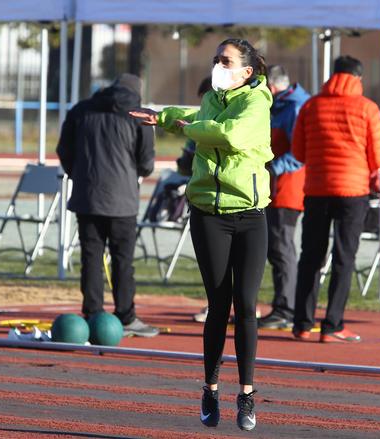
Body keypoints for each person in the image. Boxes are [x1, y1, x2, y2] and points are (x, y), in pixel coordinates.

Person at [129, 38, 272, 431]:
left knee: (245, 305)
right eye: (216, 60)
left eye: (226, 61)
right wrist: (162, 116)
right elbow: (197, 114)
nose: (218, 66)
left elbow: (230, 136)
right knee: (218, 303)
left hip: (251, 215)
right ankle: (210, 389)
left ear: (247, 71)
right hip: (209, 215)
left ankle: (246, 395)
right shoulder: (214, 98)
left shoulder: (257, 103)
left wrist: (188, 127)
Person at [291, 55, 380, 343]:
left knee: (310, 257)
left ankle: (302, 323)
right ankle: (332, 325)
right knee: (344, 258)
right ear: (358, 78)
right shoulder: (367, 108)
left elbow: (298, 152)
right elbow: (379, 156)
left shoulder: (311, 106)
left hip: (317, 190)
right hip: (352, 192)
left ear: (332, 75)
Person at [56, 73, 159, 338]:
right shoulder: (138, 114)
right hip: (123, 199)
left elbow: (64, 150)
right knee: (123, 260)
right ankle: (126, 315)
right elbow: (146, 163)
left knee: (91, 257)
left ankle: (92, 313)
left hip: (86, 196)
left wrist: (79, 174)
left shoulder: (81, 110)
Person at [257, 65, 309, 330]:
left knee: (281, 247)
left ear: (273, 86)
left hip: (287, 190)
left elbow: (300, 152)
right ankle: (283, 305)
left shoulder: (295, 107)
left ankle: (286, 308)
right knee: (276, 248)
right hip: (275, 189)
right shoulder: (281, 105)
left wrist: (272, 168)